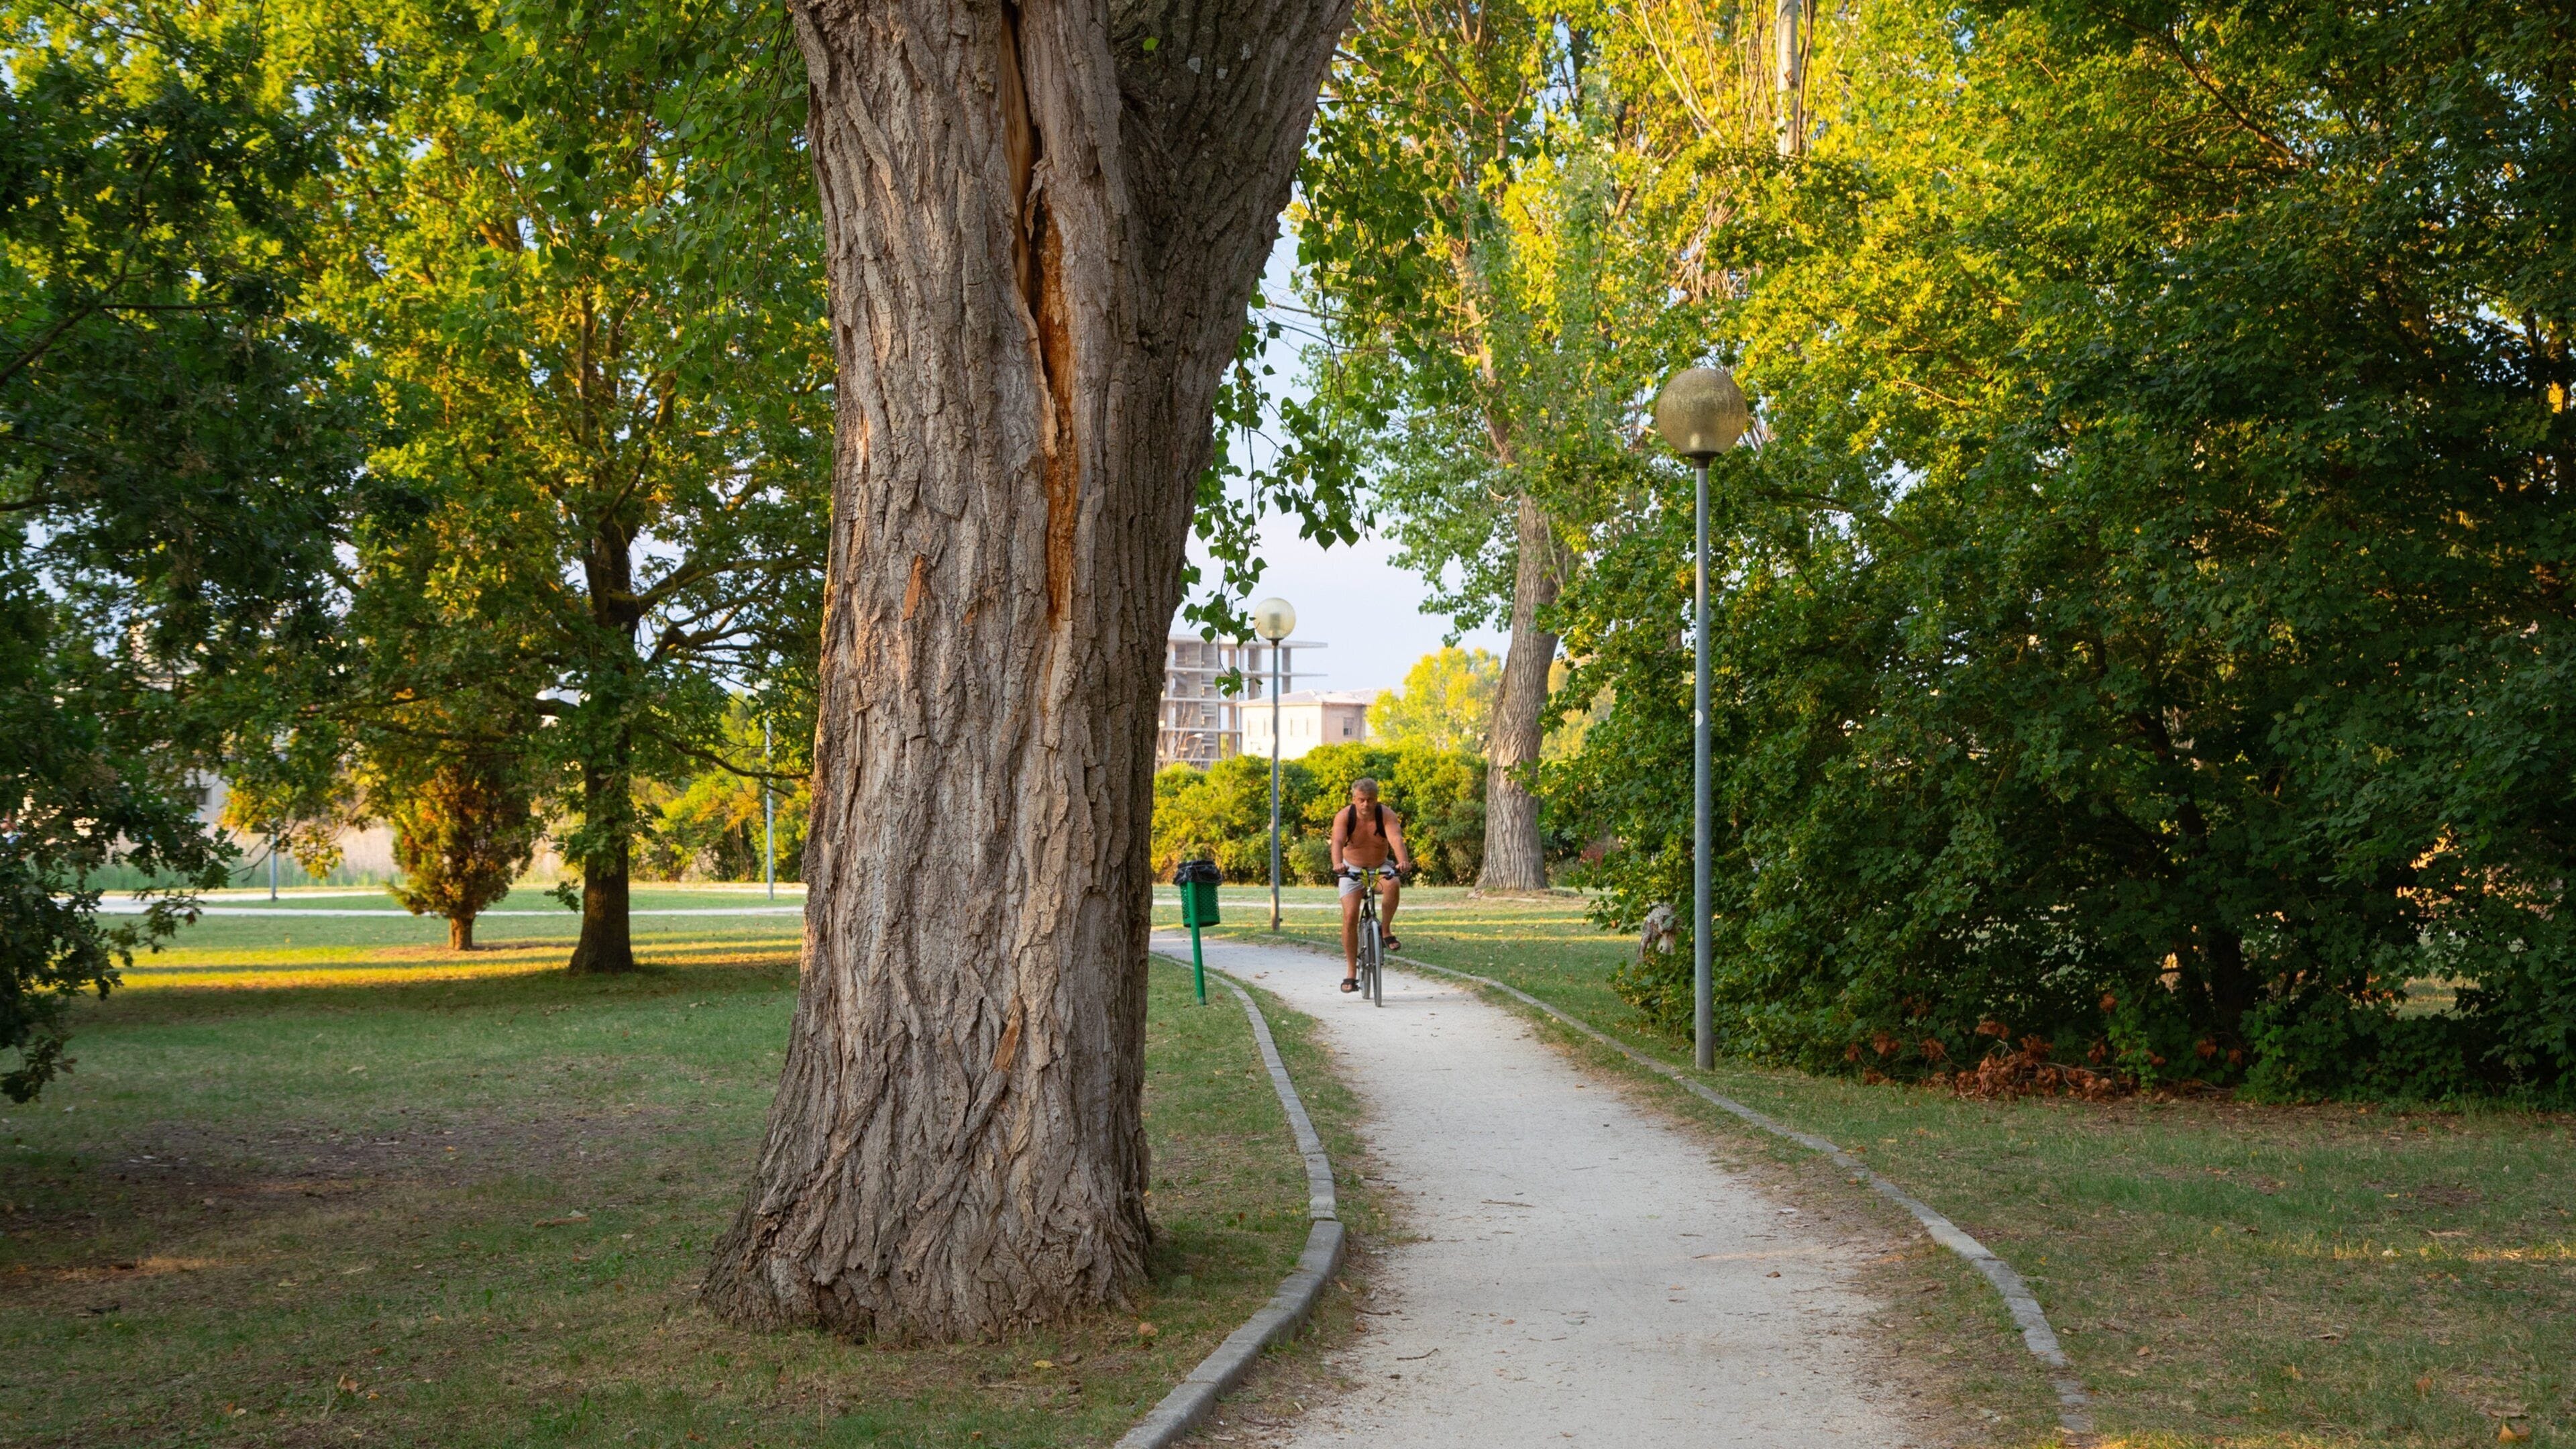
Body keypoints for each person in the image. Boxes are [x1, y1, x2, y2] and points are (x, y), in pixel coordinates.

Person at [1329, 777, 1412, 993]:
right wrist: (1338, 864)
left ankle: (1385, 931)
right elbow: (1337, 841)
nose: (1366, 805)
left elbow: (1396, 839)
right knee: (1349, 917)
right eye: (1362, 800)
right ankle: (1351, 973)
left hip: (1379, 867)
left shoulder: (1385, 814)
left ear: (1377, 800)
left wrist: (1403, 860)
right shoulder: (1344, 816)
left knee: (1393, 884)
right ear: (1354, 799)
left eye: (1371, 800)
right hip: (1351, 869)